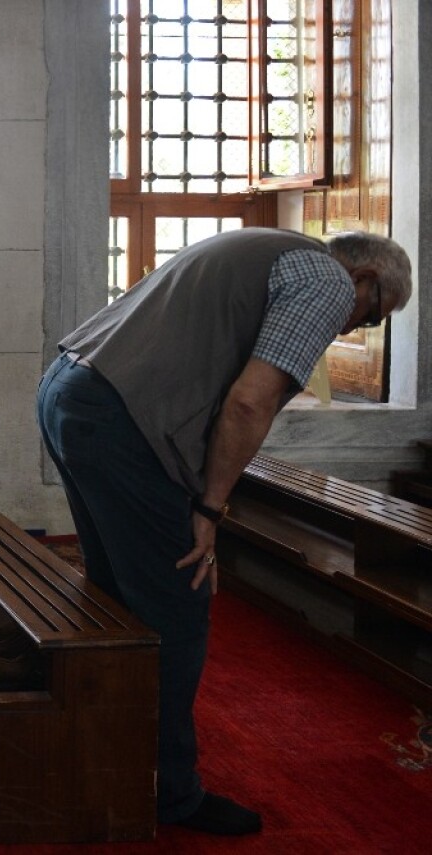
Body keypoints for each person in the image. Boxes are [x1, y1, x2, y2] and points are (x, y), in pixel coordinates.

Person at [35, 228, 412, 835]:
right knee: (177, 608)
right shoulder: (326, 281)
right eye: (371, 316)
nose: (352, 331)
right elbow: (247, 403)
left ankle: (97, 750)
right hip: (117, 420)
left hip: (68, 389)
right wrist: (209, 511)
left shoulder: (260, 246)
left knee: (114, 597)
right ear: (364, 281)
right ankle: (169, 794)